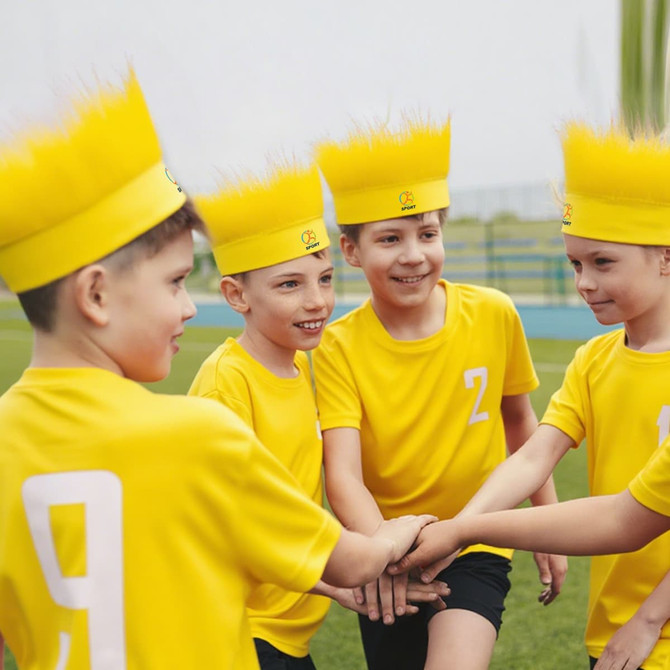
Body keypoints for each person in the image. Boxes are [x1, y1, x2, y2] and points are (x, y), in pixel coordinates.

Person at [0, 70, 435, 670]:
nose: (186, 305)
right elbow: (355, 563)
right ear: (95, 295)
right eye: (176, 281)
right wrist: (404, 526)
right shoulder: (198, 434)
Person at [400, 122, 670, 670]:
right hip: (615, 630)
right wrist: (456, 533)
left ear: (665, 256)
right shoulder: (593, 360)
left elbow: (627, 520)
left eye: (602, 262)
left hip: (648, 629)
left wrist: (649, 620)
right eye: (575, 263)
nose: (583, 283)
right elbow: (533, 455)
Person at [312, 117, 566, 670]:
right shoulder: (336, 347)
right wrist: (379, 550)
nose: (414, 255)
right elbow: (343, 475)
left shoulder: (494, 313)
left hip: (477, 541)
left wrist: (544, 523)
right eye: (390, 239)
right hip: (388, 552)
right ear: (350, 251)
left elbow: (524, 427)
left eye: (428, 234)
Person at [190, 163, 449, 669]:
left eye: (326, 279)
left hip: (287, 636)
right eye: (289, 285)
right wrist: (344, 576)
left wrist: (342, 582)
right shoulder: (229, 382)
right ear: (236, 295)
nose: (317, 301)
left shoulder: (301, 370)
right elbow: (231, 525)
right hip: (240, 636)